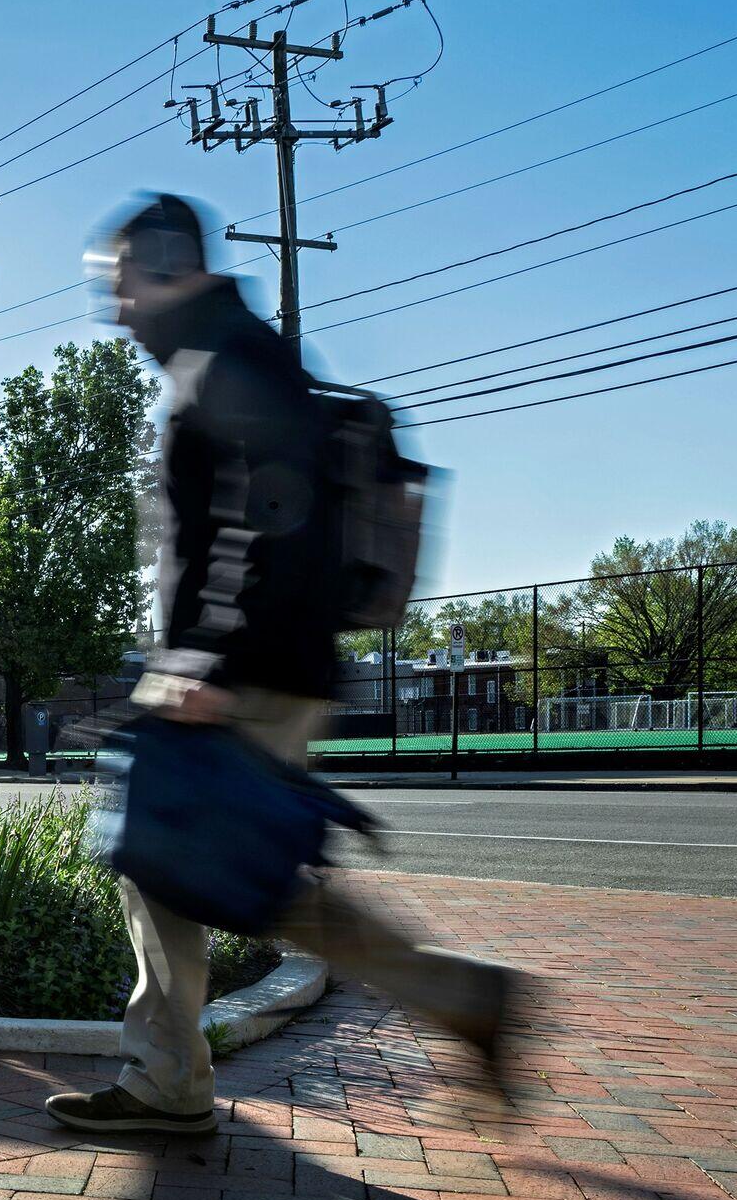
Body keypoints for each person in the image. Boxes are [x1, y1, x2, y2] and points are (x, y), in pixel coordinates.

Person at [46, 195, 515, 1136]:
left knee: (227, 874)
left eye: (120, 284)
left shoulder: (225, 361)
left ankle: (181, 1078)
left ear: (167, 264)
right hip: (250, 665)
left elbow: (263, 516)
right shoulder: (227, 352)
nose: (115, 307)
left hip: (236, 674)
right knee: (190, 873)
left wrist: (204, 661)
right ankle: (171, 1075)